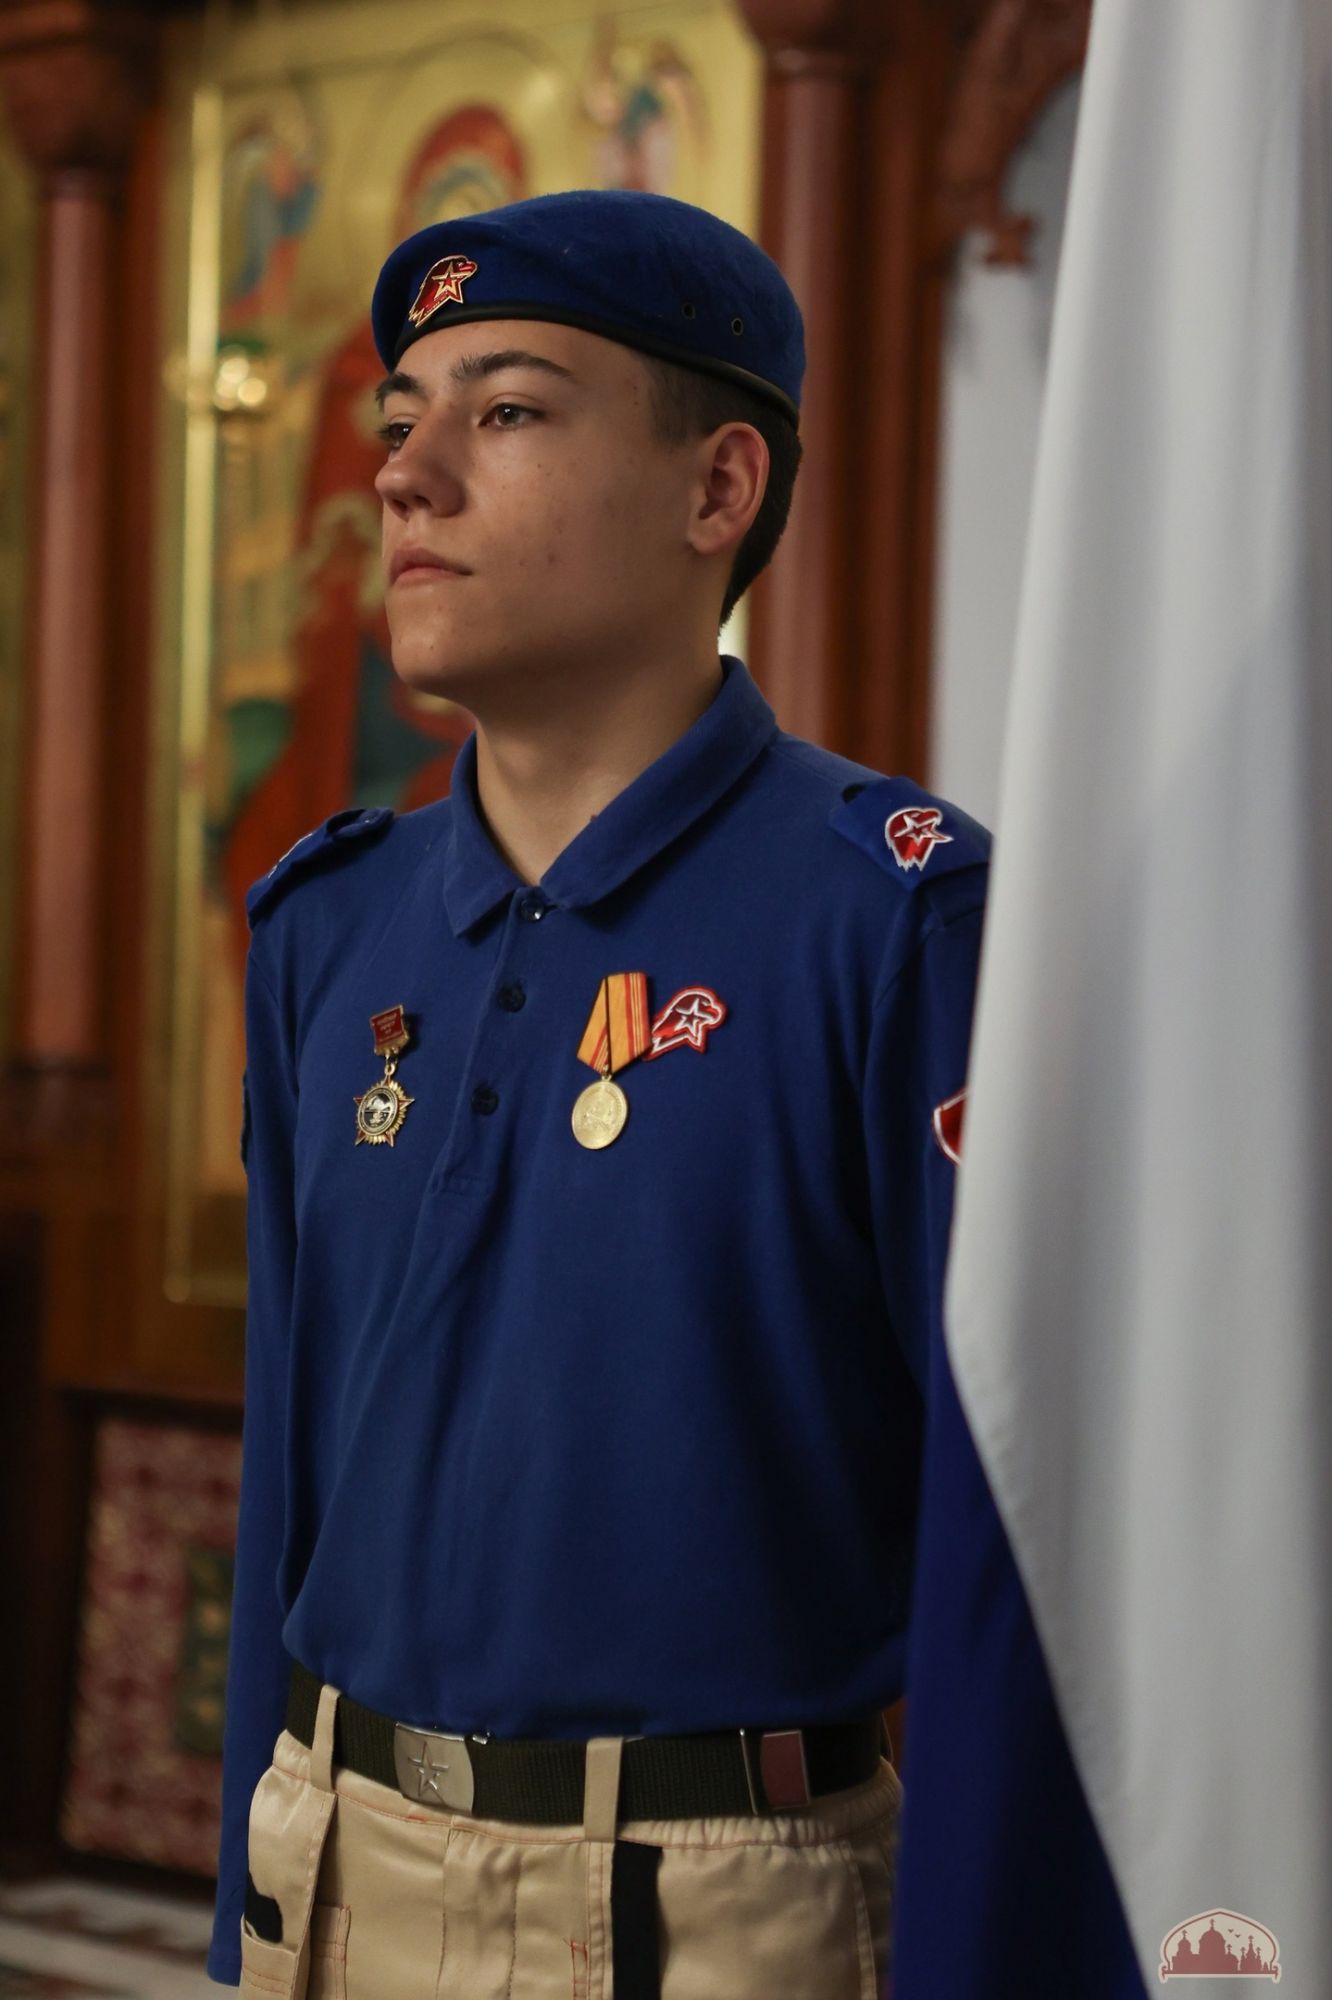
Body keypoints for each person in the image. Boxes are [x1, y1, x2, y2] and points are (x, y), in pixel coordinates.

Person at [207, 186, 990, 1997]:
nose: (406, 477)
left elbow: (1007, 1533)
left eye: (505, 410)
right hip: (332, 1873)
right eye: (402, 417)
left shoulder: (895, 920)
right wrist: (249, 1920)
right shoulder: (326, 927)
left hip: (721, 1916)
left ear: (717, 489)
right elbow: (286, 1478)